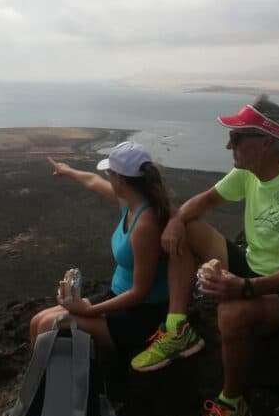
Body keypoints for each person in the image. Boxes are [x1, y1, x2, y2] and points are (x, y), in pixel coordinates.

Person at [129, 95, 279, 416]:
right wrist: (177, 220)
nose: (229, 144)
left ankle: (233, 406)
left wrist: (244, 288)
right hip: (255, 270)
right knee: (188, 228)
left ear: (266, 142)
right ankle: (178, 327)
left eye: (238, 137)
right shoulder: (249, 174)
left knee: (232, 311)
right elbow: (205, 201)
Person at [29, 141, 172, 360]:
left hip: (141, 317)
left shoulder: (146, 224)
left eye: (109, 173)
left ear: (119, 180)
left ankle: (47, 387)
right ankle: (40, 383)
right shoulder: (130, 203)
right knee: (37, 321)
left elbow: (140, 293)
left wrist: (88, 311)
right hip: (117, 298)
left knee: (49, 324)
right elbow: (92, 181)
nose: (106, 177)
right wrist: (66, 170)